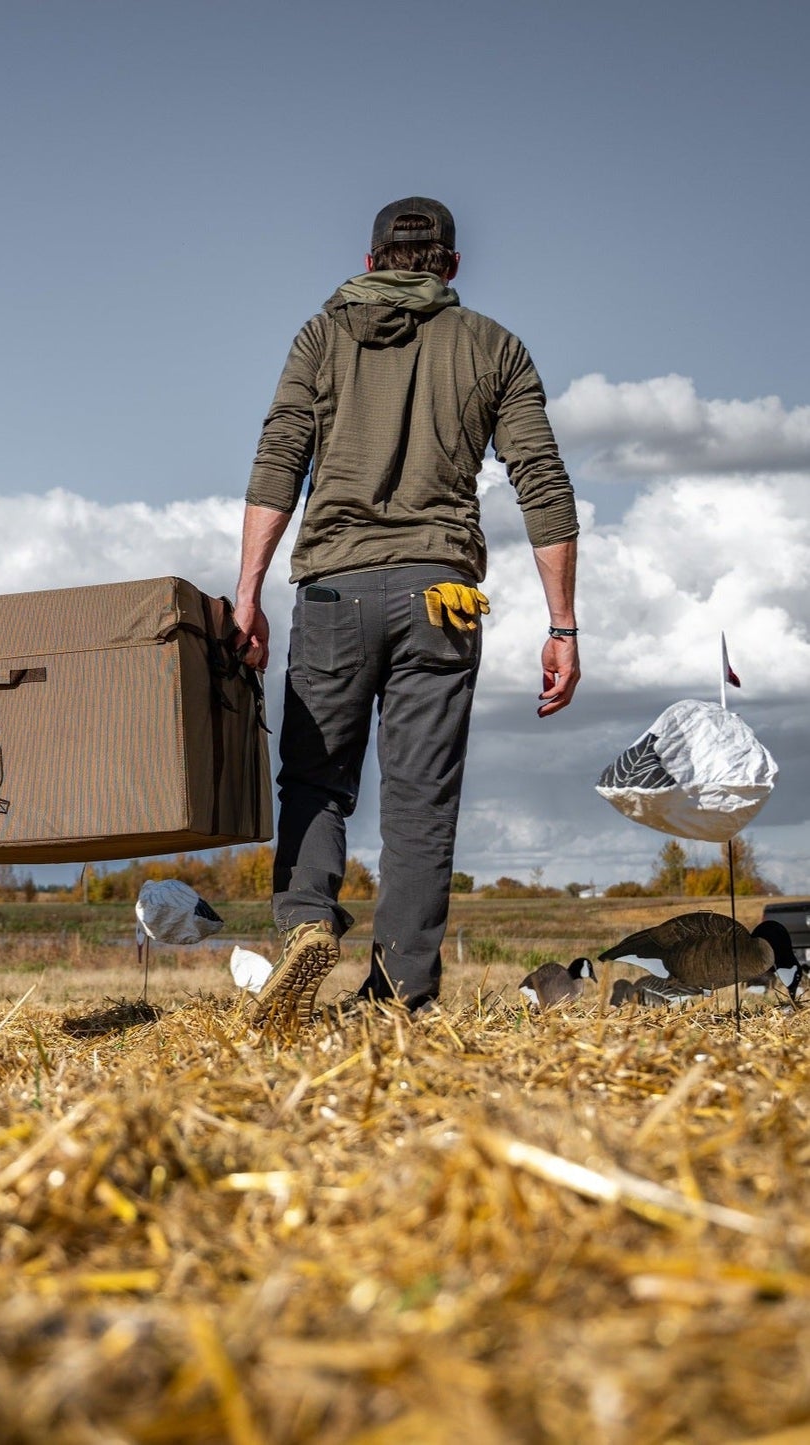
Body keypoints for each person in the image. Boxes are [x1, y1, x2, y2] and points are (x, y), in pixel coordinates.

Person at [234, 198, 580, 1025]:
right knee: (419, 798)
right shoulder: (494, 345)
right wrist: (561, 623)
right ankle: (398, 996)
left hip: (331, 590)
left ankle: (307, 922)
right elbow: (542, 480)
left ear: (370, 261)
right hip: (442, 595)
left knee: (316, 780)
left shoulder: (321, 336)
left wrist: (247, 589)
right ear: (451, 267)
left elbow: (279, 456)